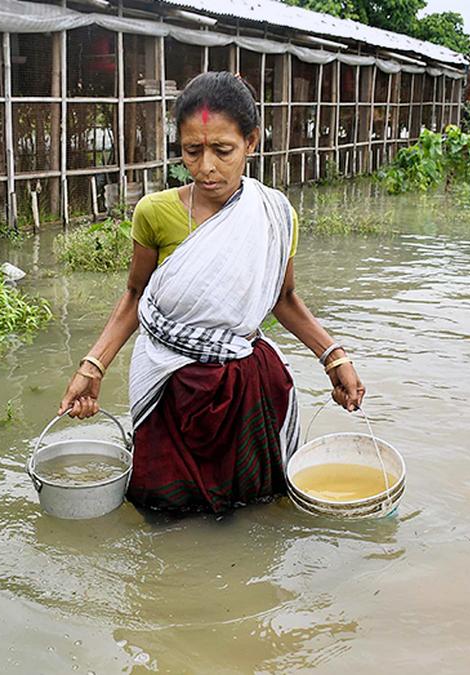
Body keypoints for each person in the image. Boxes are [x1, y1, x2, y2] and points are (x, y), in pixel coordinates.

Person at [58, 72, 365, 513]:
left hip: (246, 390)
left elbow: (284, 299)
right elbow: (134, 295)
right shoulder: (156, 212)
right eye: (191, 151)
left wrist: (334, 357)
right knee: (160, 508)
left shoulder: (274, 215)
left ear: (251, 142)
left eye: (223, 150)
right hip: (171, 389)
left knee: (255, 512)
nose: (206, 166)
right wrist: (94, 365)